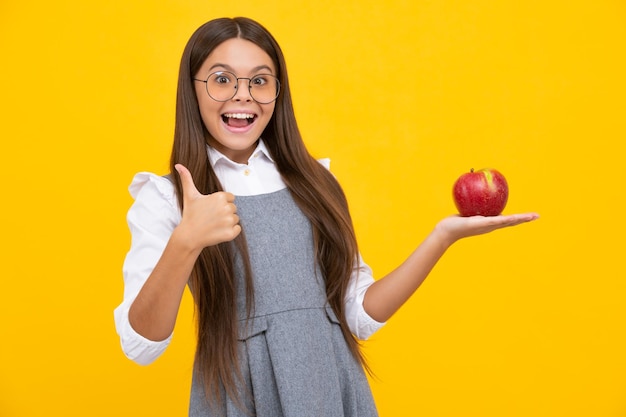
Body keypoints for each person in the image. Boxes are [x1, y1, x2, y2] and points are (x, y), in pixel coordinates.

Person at [114, 16, 538, 417]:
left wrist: (442, 237)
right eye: (222, 79)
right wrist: (186, 242)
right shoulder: (166, 197)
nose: (243, 94)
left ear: (277, 93)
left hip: (328, 387)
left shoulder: (316, 181)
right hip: (240, 396)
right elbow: (141, 345)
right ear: (192, 90)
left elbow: (359, 314)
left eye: (260, 81)